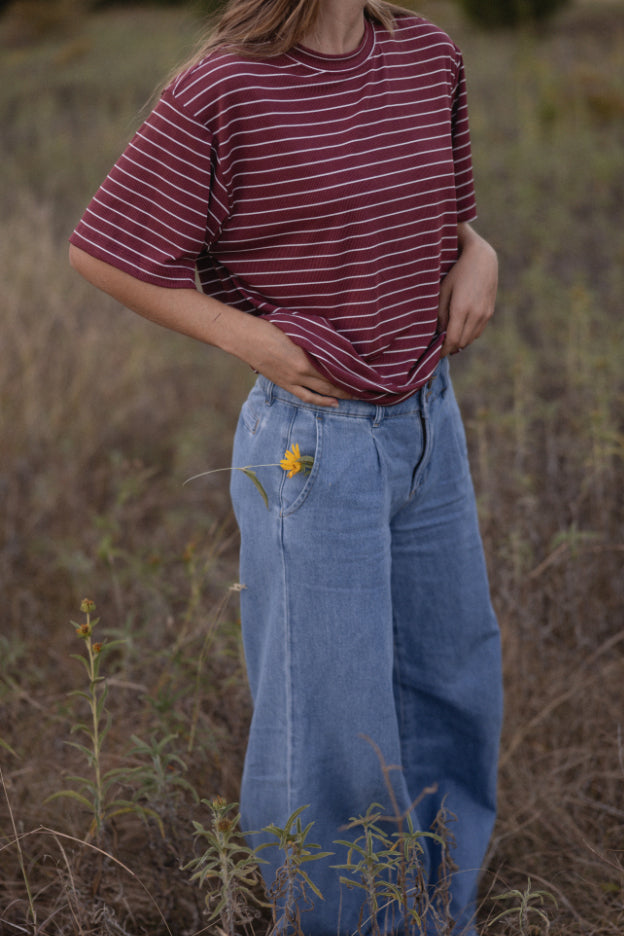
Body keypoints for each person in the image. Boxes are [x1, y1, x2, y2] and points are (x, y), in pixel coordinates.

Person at [69, 1, 503, 932]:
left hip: (430, 420)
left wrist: (480, 252)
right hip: (318, 441)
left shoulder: (428, 53)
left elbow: (444, 214)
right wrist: (251, 341)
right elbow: (102, 251)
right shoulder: (223, 86)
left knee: (452, 687)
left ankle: (435, 916)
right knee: (331, 730)